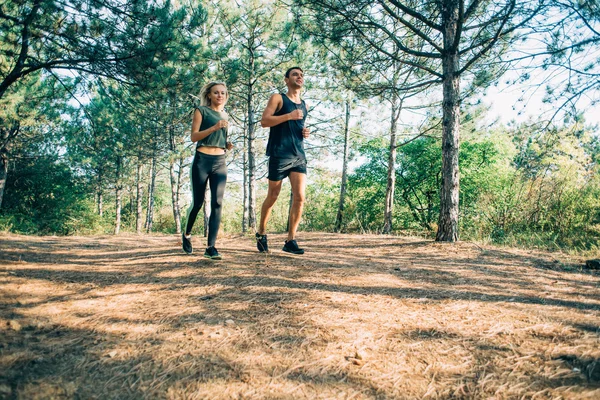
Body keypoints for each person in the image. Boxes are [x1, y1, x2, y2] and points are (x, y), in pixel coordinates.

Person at [256, 67, 310, 255]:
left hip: (298, 155)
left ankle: (290, 240)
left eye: (301, 75)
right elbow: (264, 121)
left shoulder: (304, 104)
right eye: (295, 74)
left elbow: (296, 126)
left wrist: (304, 132)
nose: (299, 77)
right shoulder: (278, 98)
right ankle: (261, 232)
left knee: (300, 197)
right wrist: (289, 115)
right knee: (273, 196)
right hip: (279, 154)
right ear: (286, 80)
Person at [182, 81, 233, 260]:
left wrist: (226, 145)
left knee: (217, 203)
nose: (220, 95)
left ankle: (211, 247)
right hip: (202, 160)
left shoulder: (225, 115)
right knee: (197, 203)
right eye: (216, 92)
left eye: (223, 93)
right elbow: (194, 136)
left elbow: (219, 138)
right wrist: (214, 127)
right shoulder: (201, 111)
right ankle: (187, 234)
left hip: (220, 161)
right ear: (209, 95)